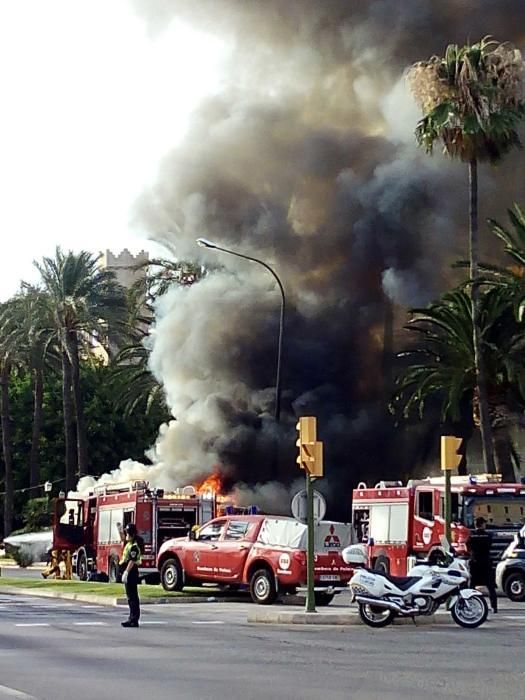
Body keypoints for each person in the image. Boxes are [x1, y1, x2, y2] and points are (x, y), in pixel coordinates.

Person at [467, 516, 498, 613]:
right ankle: (494, 607)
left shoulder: (471, 536)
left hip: (475, 563)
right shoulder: (488, 536)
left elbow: (468, 547)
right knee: (491, 587)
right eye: (484, 523)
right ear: (482, 525)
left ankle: (471, 604)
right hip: (486, 563)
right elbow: (490, 545)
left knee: (471, 586)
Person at [119, 523, 142, 628]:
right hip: (129, 571)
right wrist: (119, 530)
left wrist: (126, 572)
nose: (125, 535)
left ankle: (134, 619)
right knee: (130, 597)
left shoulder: (134, 546)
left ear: (131, 534)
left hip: (131, 571)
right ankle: (131, 618)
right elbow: (123, 539)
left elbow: (132, 561)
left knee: (132, 597)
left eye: (127, 533)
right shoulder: (129, 544)